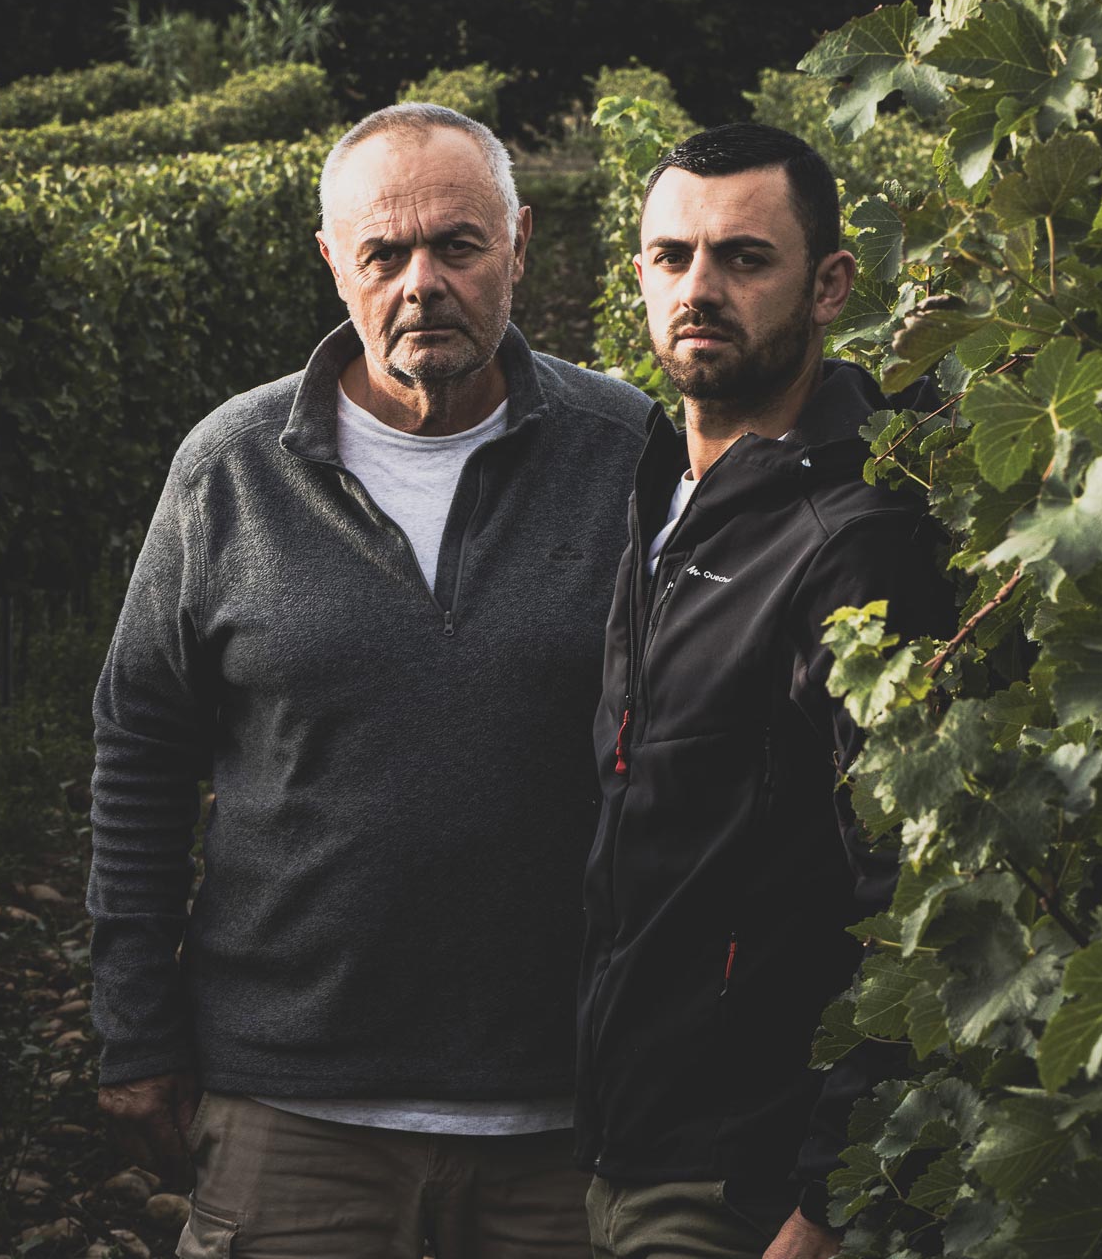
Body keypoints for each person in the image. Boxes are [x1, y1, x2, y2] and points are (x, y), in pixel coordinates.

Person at [87, 102, 652, 1258]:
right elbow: (140, 749)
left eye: (458, 244)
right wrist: (135, 1028)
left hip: (572, 1106)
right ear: (333, 260)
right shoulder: (230, 468)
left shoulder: (628, 449)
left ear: (521, 243)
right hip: (293, 1103)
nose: (421, 282)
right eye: (384, 252)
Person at [576, 124, 956, 1259]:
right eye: (672, 256)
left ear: (829, 284)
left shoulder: (856, 541)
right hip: (621, 1145)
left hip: (748, 1185)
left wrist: (833, 1196)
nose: (701, 288)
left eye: (745, 258)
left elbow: (914, 893)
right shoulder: (660, 486)